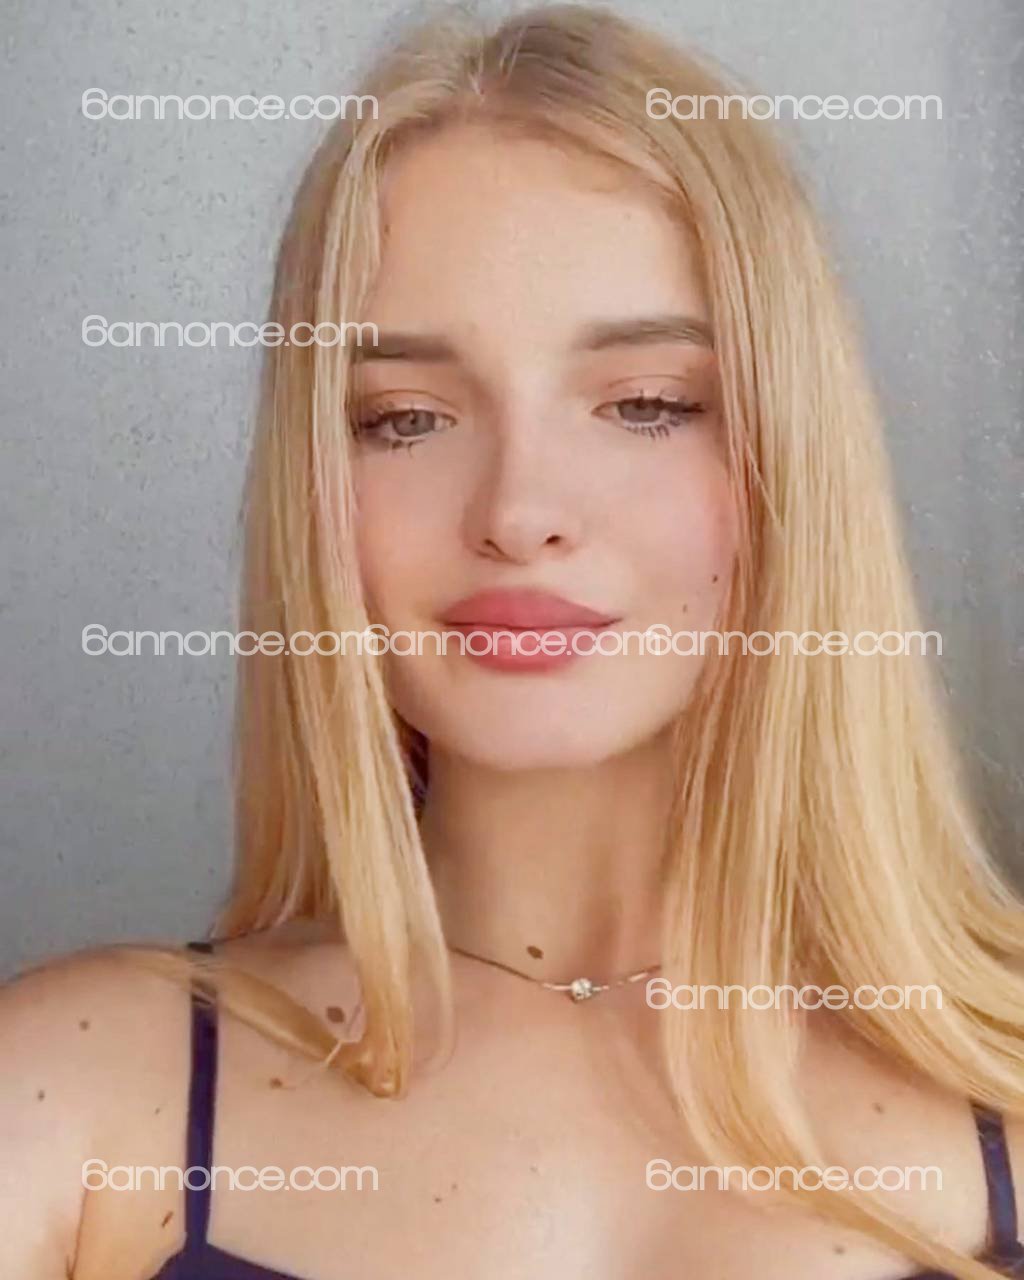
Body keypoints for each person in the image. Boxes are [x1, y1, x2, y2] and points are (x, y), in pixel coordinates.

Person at [3, 5, 1022, 1278]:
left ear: (794, 459)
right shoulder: (69, 1098)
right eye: (406, 417)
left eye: (645, 403)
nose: (518, 509)